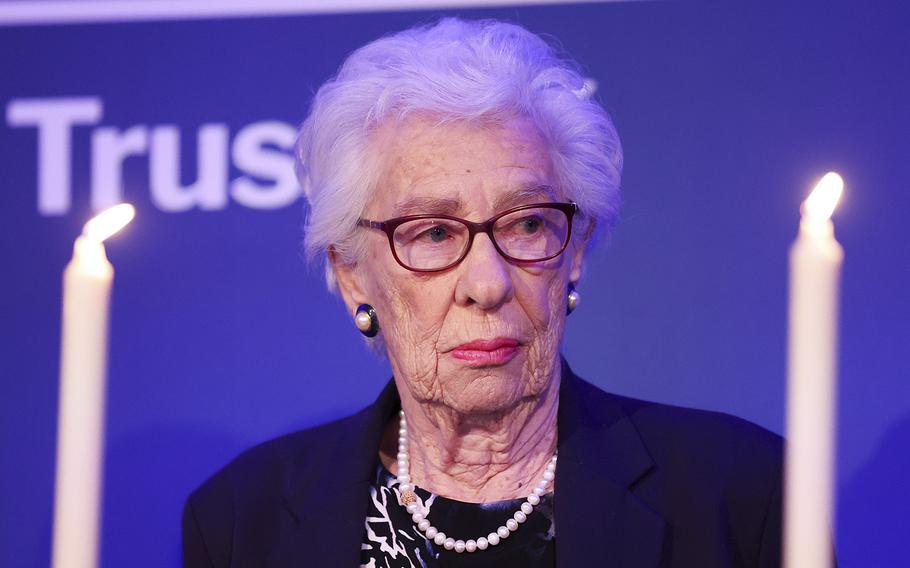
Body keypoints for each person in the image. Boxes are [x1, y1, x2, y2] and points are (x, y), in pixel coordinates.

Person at [182, 18, 783, 567]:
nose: (488, 284)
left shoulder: (741, 493)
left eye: (526, 223)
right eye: (434, 232)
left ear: (573, 254)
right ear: (353, 276)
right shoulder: (241, 521)